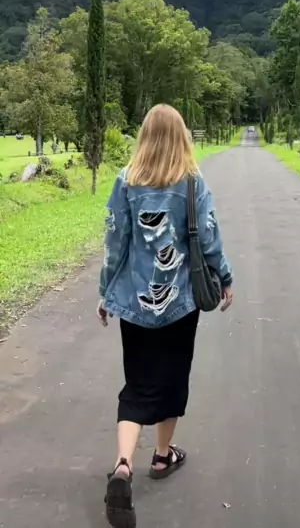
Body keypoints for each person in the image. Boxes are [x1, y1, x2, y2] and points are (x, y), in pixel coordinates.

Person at [97, 104, 233, 528]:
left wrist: (106, 291)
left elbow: (115, 241)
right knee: (173, 377)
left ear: (144, 136)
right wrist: (226, 277)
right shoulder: (192, 182)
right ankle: (161, 456)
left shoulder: (126, 180)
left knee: (138, 382)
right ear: (181, 137)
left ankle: (122, 466)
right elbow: (209, 238)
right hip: (179, 304)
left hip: (134, 304)